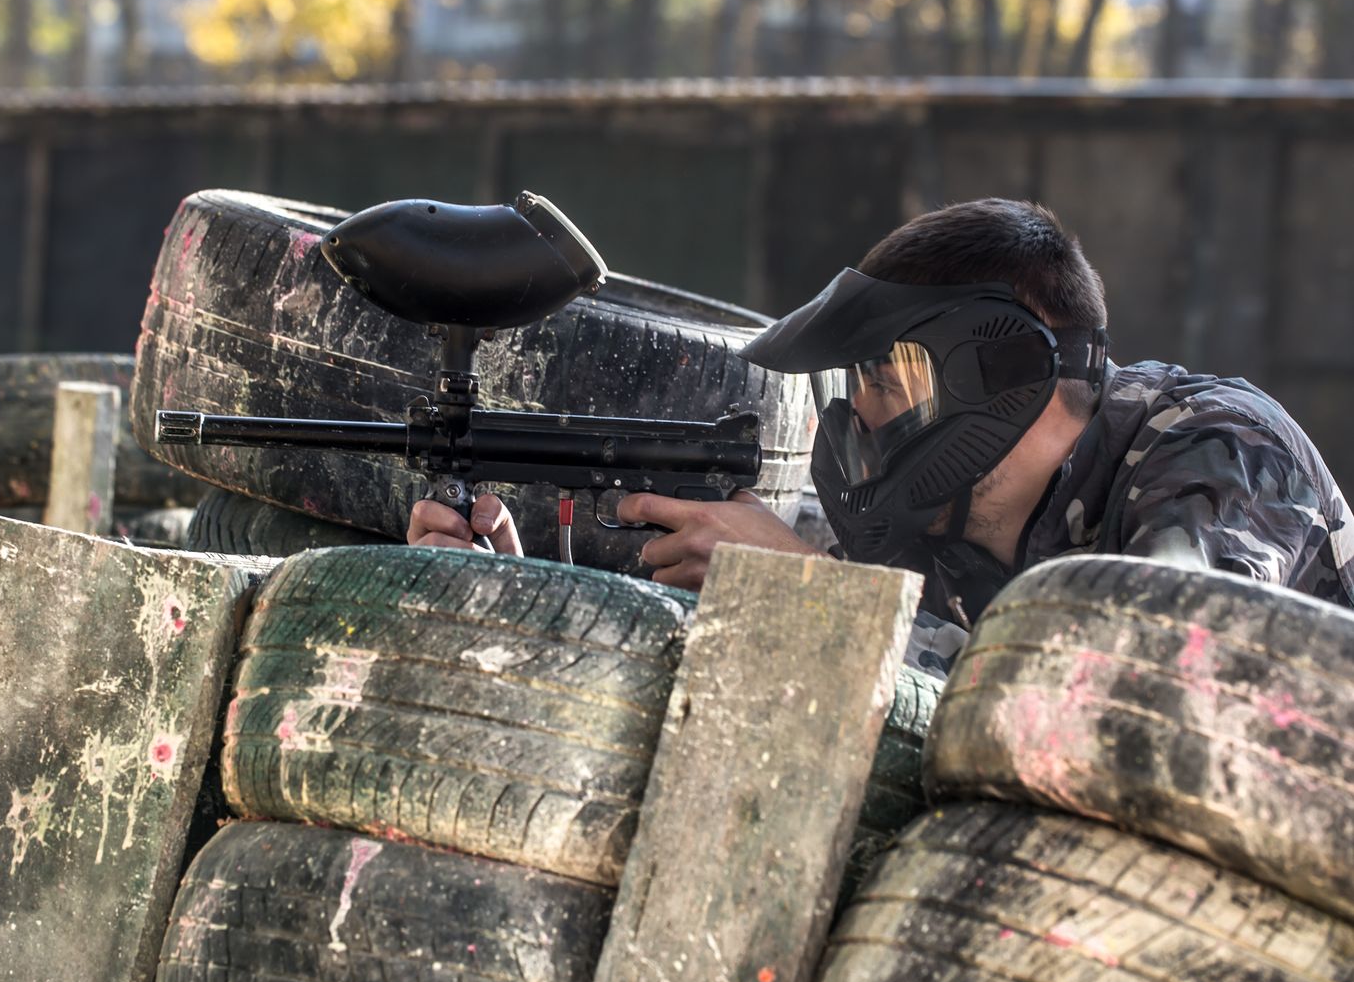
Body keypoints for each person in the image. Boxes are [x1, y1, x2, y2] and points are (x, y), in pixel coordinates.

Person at [408, 199, 1354, 676]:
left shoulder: (1221, 457)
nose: (859, 413)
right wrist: (522, 589)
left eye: (884, 374)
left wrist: (817, 603)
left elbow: (1148, 697)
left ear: (999, 364)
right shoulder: (934, 534)